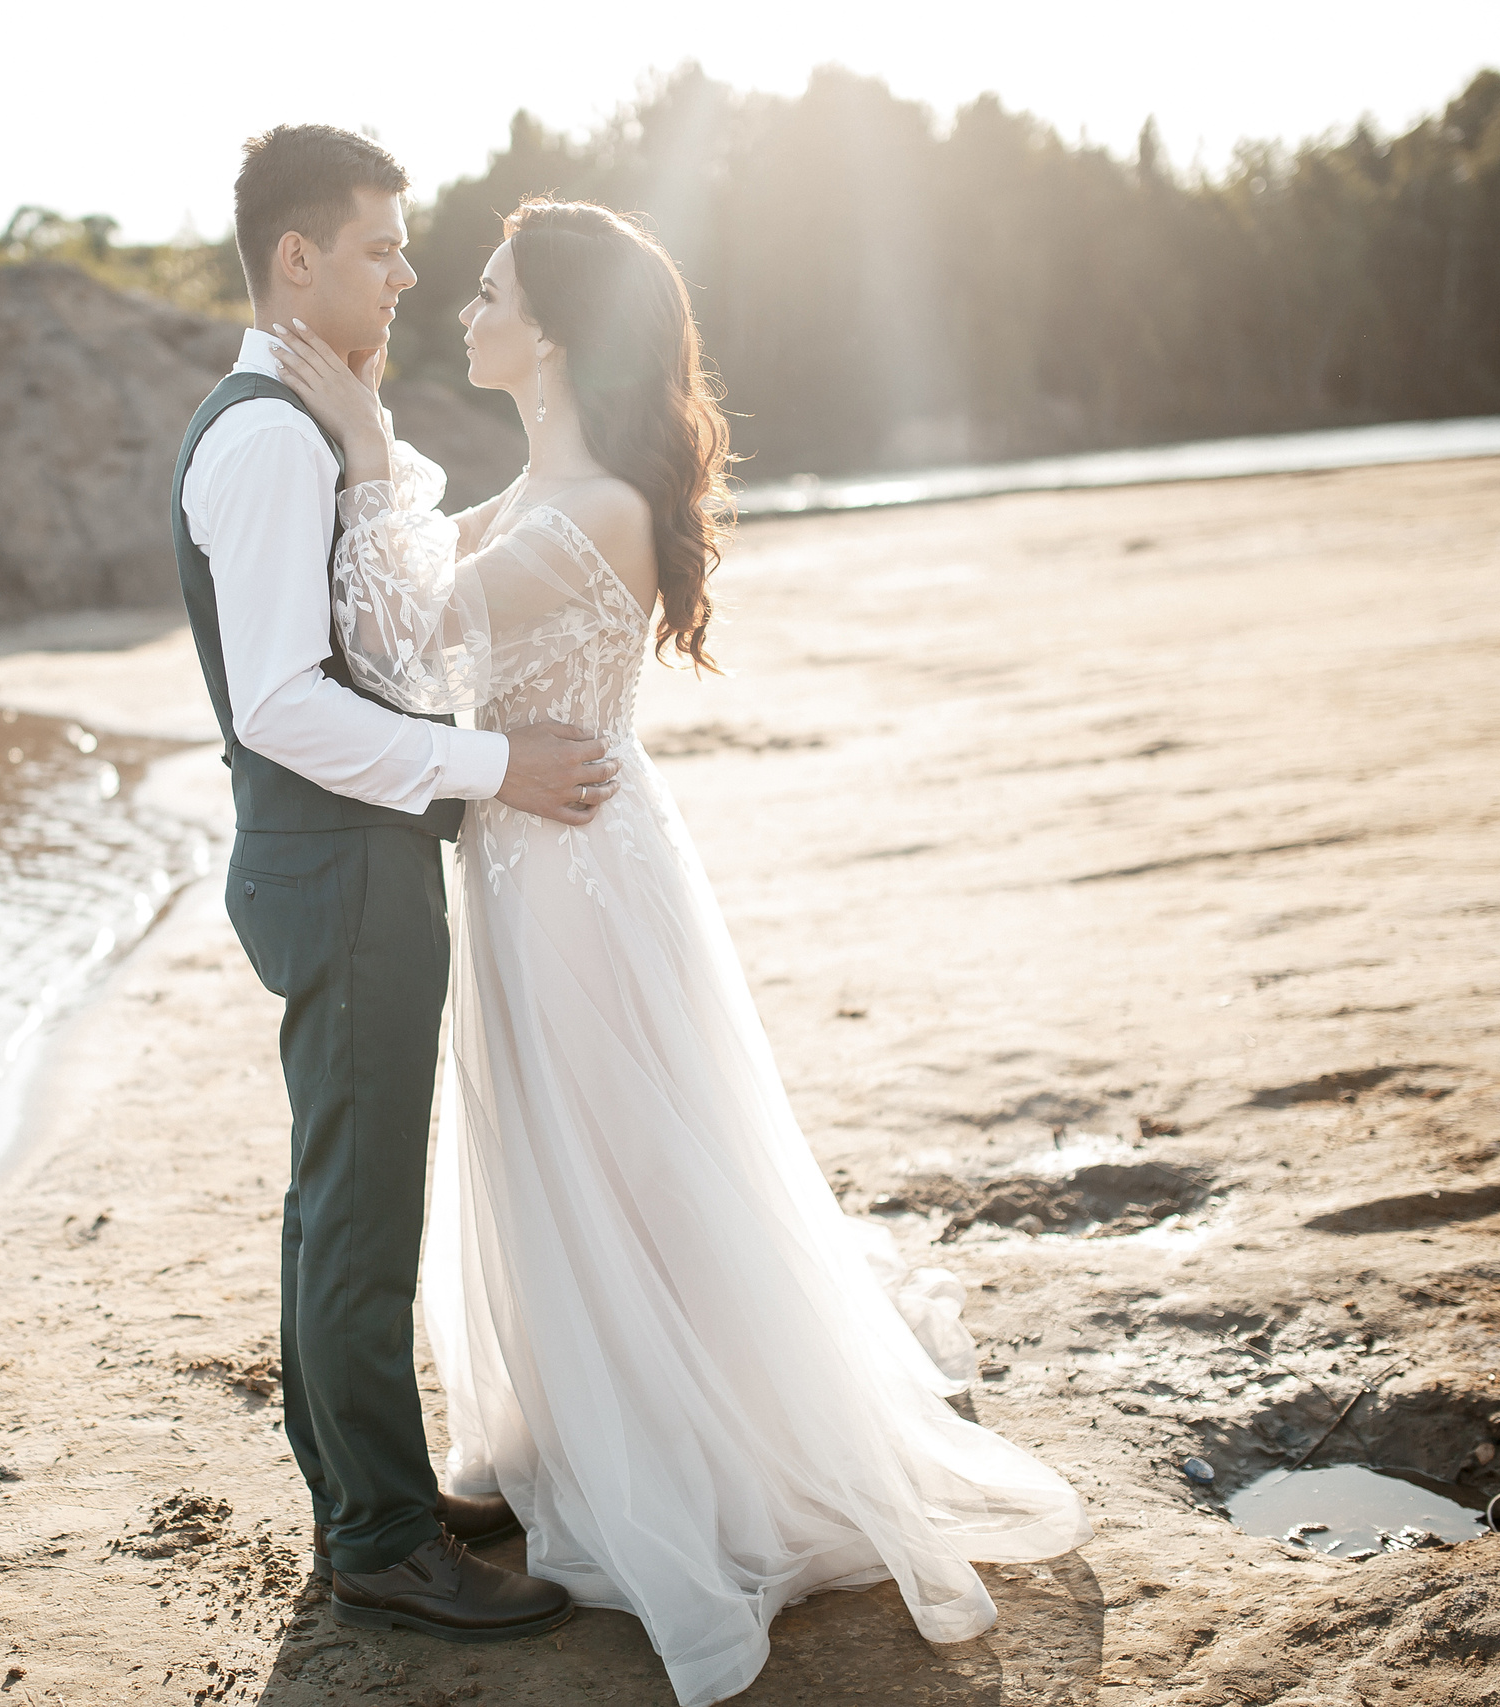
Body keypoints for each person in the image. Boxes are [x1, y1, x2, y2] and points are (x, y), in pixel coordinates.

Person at [267, 197, 1094, 1705]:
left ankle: (692, 1456)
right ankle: (600, 1422)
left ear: (561, 332)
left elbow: (393, 630)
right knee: (572, 1154)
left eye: (495, 290)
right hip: (538, 864)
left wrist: (368, 445)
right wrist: (368, 459)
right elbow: (405, 609)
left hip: (576, 877)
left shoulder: (589, 516)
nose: (464, 308)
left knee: (618, 1161)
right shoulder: (546, 487)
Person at [170, 125, 611, 1644]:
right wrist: (495, 765)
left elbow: (387, 619)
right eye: (380, 246)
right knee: (358, 1215)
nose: (409, 273)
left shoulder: (307, 421)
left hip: (346, 857)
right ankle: (377, 1538)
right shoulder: (265, 437)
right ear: (297, 259)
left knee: (341, 1202)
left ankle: (379, 1503)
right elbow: (282, 703)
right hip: (337, 866)